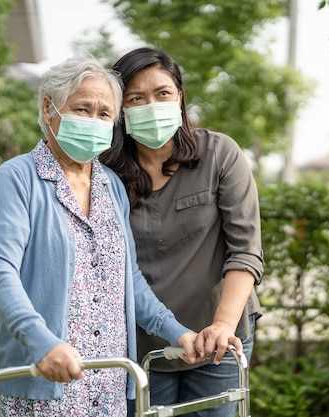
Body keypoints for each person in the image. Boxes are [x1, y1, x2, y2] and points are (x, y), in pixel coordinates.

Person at [0, 55, 203, 417]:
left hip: (108, 387)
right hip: (41, 384)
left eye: (104, 114)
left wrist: (179, 333)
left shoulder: (110, 184)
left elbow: (128, 280)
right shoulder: (17, 177)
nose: (94, 121)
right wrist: (42, 344)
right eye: (82, 109)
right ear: (48, 109)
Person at [99, 47, 264, 417]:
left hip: (219, 335)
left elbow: (246, 251)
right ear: (120, 110)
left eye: (162, 94)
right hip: (142, 343)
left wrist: (221, 325)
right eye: (135, 98)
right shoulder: (103, 175)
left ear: (180, 97)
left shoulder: (220, 154)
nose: (151, 105)